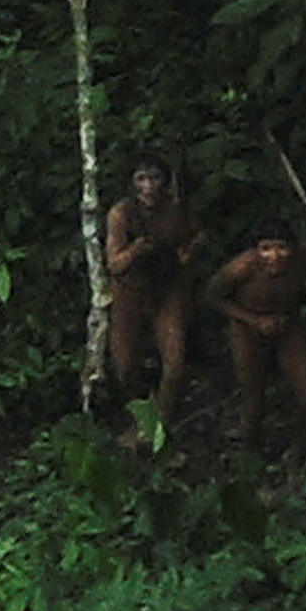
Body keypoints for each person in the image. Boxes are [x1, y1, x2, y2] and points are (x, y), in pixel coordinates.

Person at [207, 217, 306, 454]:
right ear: (256, 251)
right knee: (253, 397)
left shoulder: (303, 259)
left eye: (281, 247)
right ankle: (250, 455)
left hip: (287, 325)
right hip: (246, 329)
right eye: (266, 248)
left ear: (293, 248)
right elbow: (213, 296)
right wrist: (254, 321)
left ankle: (297, 453)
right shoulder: (241, 268)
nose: (275, 255)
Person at [104, 154, 201, 437]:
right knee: (124, 368)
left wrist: (188, 252)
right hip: (130, 292)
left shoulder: (175, 210)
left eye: (155, 178)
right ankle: (138, 422)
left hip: (166, 288)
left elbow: (197, 235)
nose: (149, 187)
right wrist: (135, 250)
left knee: (175, 366)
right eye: (141, 179)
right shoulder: (121, 214)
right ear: (132, 185)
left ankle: (160, 425)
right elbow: (114, 264)